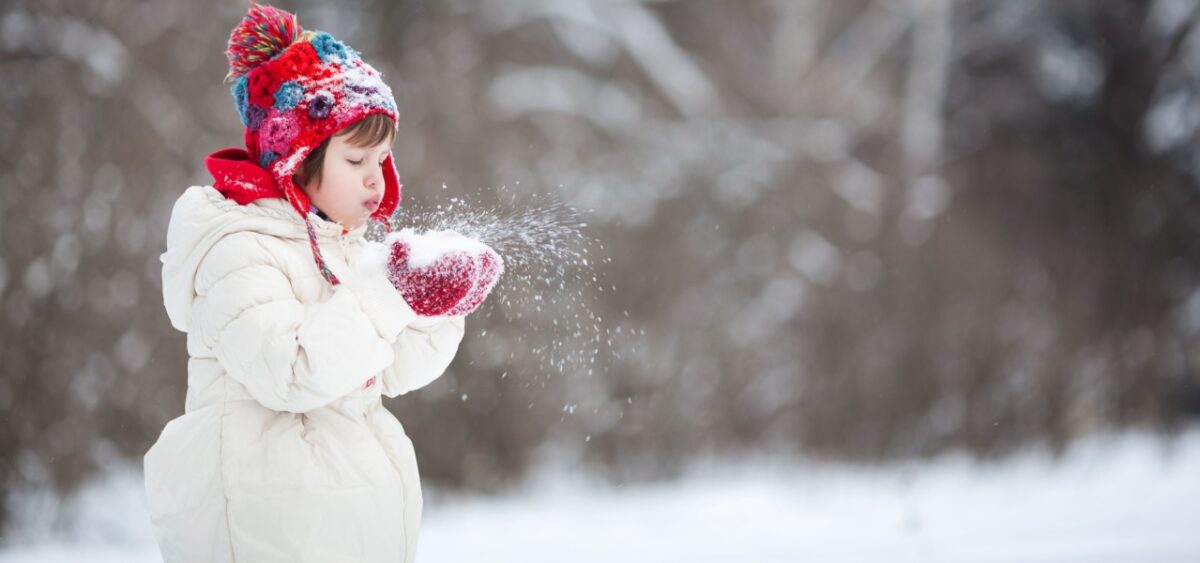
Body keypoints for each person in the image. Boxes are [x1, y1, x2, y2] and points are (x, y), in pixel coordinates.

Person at [143, 4, 502, 561]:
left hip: (340, 521)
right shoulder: (238, 250)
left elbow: (390, 371)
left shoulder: (343, 249)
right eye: (356, 157)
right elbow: (291, 373)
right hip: (266, 523)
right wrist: (389, 296)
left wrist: (434, 308)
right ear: (296, 159)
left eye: (381, 159)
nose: (373, 177)